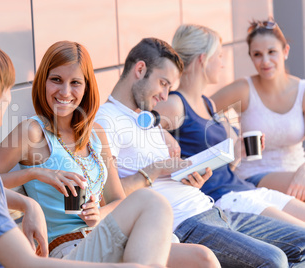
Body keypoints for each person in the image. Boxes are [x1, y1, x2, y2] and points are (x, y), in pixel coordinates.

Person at [0, 40, 154, 268]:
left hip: (70, 244)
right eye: (7, 88)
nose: (9, 98)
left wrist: (28, 202)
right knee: (151, 206)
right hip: (56, 251)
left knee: (153, 208)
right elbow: (28, 264)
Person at [95, 37, 305, 267]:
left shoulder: (145, 117)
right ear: (140, 69)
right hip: (186, 223)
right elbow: (107, 196)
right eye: (163, 83)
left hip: (211, 209)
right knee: (274, 260)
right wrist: (156, 169)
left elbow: (160, 176)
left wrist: (190, 177)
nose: (165, 96)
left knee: (302, 242)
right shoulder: (106, 121)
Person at [0, 40, 191, 266]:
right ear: (43, 82)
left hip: (102, 237)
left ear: (86, 87)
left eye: (75, 82)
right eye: (56, 80)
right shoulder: (32, 132)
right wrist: (35, 174)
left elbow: (117, 200)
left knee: (203, 259)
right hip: (67, 250)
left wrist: (99, 214)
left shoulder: (96, 133)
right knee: (151, 201)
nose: (65, 92)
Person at [154, 24, 305, 227]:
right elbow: (138, 122)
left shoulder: (208, 104)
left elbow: (223, 168)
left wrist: (236, 152)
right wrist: (162, 134)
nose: (222, 64)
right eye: (219, 56)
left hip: (245, 189)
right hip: (225, 199)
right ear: (203, 59)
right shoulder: (174, 104)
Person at [211, 19, 305, 202]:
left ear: (285, 51)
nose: (265, 61)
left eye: (272, 52)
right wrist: (227, 135)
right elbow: (198, 110)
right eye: (257, 54)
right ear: (251, 57)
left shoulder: (302, 92)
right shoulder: (244, 89)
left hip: (299, 174)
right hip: (254, 174)